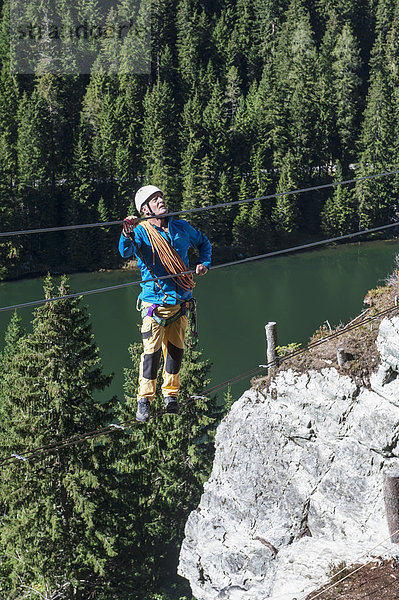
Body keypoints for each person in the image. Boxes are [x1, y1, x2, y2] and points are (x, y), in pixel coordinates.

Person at [119, 185, 212, 422]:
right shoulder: (141, 232)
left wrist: (204, 262)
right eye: (154, 199)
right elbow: (125, 250)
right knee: (151, 354)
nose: (161, 201)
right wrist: (126, 231)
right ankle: (144, 400)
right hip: (154, 305)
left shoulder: (181, 228)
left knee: (175, 352)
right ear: (145, 209)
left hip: (180, 302)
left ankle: (171, 395)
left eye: (161, 197)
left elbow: (204, 243)